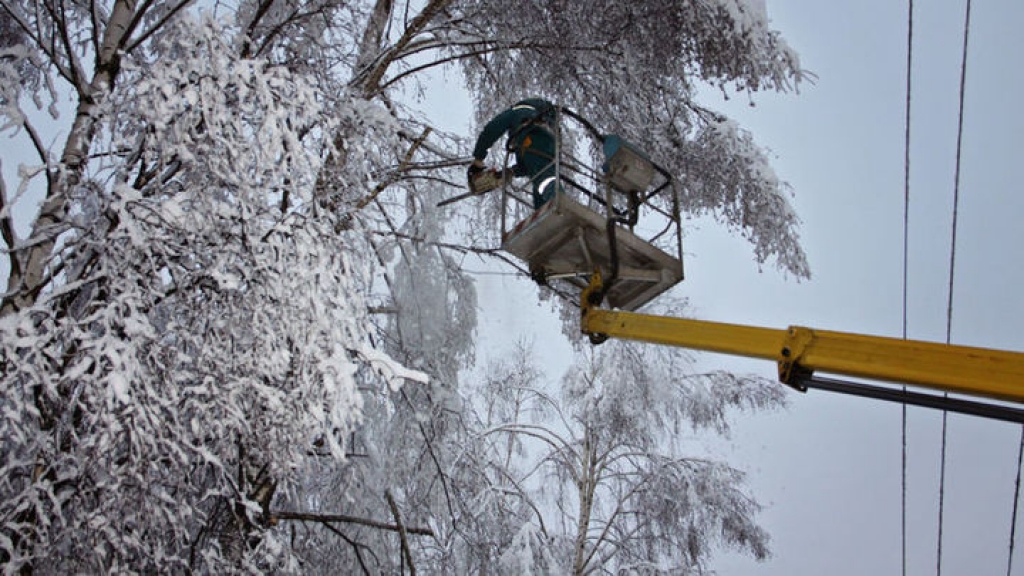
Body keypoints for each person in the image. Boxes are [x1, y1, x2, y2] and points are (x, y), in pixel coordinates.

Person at [467, 98, 560, 209]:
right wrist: (509, 173)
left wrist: (478, 159)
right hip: (549, 148)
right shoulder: (548, 126)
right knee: (540, 177)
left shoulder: (519, 111)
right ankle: (545, 211)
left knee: (544, 179)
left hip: (531, 138)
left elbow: (491, 130)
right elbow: (529, 165)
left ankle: (558, 204)